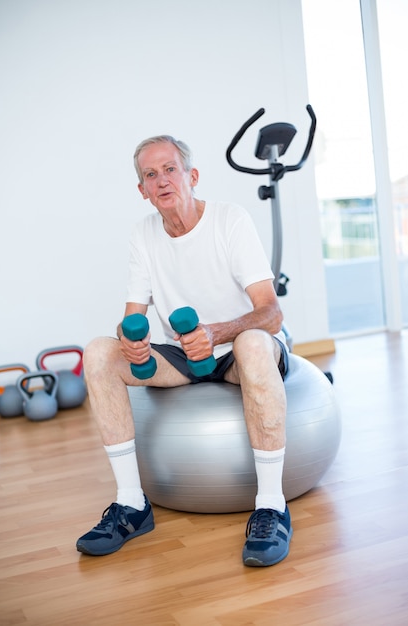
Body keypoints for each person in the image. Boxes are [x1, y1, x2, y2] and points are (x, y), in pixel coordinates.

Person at [76, 135, 292, 567]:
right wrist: (132, 345)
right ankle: (132, 505)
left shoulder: (230, 220)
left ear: (192, 176)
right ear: (142, 190)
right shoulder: (143, 233)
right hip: (184, 358)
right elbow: (131, 316)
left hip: (238, 349)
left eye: (170, 169)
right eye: (150, 175)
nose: (161, 180)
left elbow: (271, 314)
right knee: (99, 351)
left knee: (251, 341)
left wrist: (218, 333)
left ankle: (271, 506)